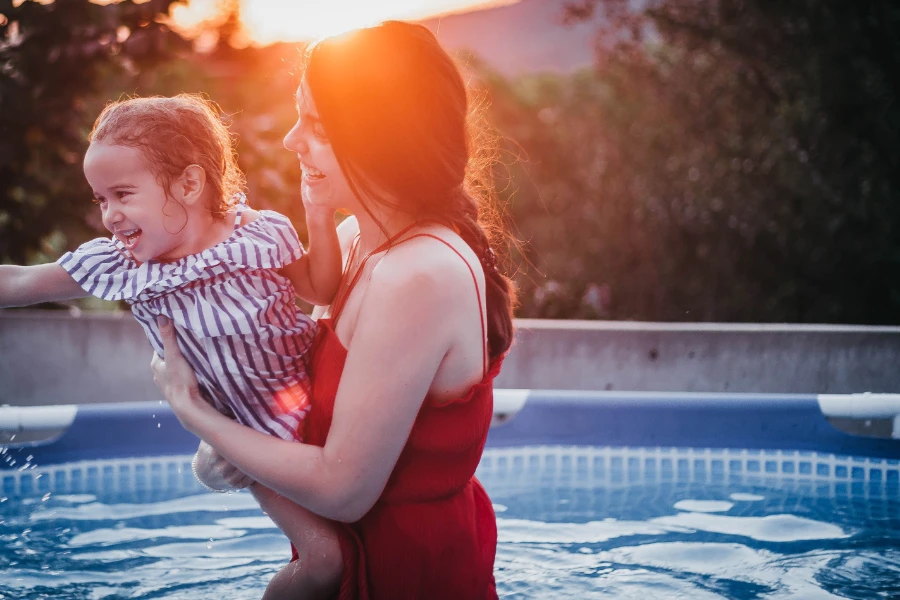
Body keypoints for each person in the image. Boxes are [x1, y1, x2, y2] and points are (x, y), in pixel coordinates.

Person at [150, 20, 517, 600]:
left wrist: (194, 412)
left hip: (409, 578)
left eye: (316, 126)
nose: (294, 140)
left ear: (379, 139)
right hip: (352, 563)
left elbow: (345, 489)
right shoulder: (357, 241)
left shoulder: (418, 274)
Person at [0, 93, 342, 468]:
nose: (111, 215)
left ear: (189, 184)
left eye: (123, 194)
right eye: (101, 200)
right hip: (240, 436)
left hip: (314, 399)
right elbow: (19, 282)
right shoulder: (121, 263)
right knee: (217, 470)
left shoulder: (255, 233)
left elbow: (319, 289)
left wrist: (318, 216)